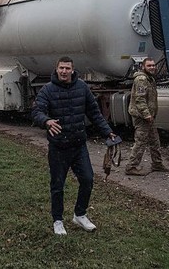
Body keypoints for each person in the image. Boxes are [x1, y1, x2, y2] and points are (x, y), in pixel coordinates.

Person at [32, 56, 118, 235]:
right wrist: (46, 121)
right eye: (61, 68)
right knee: (57, 186)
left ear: (72, 70)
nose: (64, 71)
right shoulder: (47, 90)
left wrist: (107, 131)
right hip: (58, 148)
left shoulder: (82, 87)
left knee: (87, 180)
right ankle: (57, 220)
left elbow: (94, 113)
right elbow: (37, 111)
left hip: (79, 146)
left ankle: (80, 214)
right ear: (56, 69)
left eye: (67, 68)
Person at [125, 57, 169, 175]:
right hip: (142, 117)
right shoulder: (141, 79)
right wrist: (146, 115)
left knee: (155, 141)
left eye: (153, 65)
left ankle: (157, 164)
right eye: (149, 65)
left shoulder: (150, 79)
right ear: (143, 67)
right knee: (140, 141)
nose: (152, 67)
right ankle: (131, 167)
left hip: (149, 116)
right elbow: (139, 99)